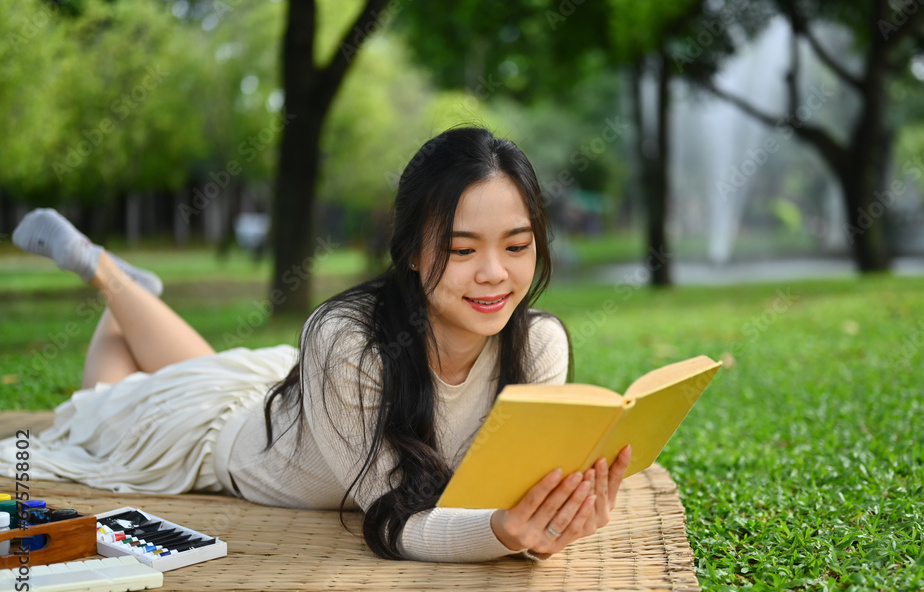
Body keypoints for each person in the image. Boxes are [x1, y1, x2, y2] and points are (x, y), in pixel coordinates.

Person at [0, 126, 631, 563]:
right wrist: (501, 531)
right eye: (463, 250)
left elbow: (513, 487)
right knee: (101, 406)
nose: (495, 273)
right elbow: (392, 518)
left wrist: (553, 512)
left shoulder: (539, 344)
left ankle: (125, 293)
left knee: (203, 372)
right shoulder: (347, 343)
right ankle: (108, 281)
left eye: (516, 247)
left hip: (296, 399)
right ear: (412, 250)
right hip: (219, 445)